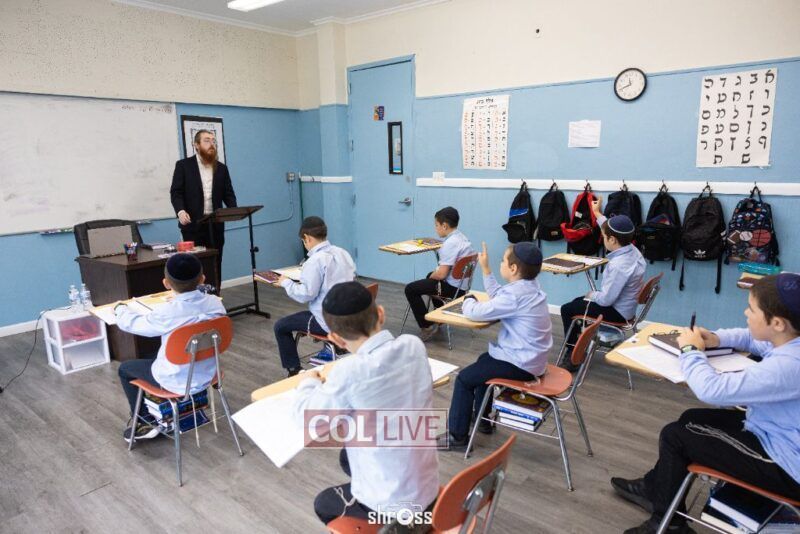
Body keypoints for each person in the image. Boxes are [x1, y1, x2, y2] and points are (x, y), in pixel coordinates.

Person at [611, 274, 800, 534]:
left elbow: (711, 390)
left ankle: (668, 526)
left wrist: (691, 351)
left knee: (675, 436)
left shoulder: (789, 364)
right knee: (692, 418)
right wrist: (715, 338)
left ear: (777, 323)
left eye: (751, 309)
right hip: (773, 430)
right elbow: (751, 338)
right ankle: (656, 488)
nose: (745, 313)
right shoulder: (789, 340)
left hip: (785, 463)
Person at [292, 281, 439, 527]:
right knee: (347, 457)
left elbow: (306, 419)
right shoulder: (413, 345)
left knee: (324, 503)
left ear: (336, 339)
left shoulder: (350, 371)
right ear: (381, 314)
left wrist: (307, 382)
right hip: (428, 489)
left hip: (393, 510)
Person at [439, 241, 553, 451]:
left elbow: (475, 313)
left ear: (513, 268)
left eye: (502, 260)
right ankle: (482, 419)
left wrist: (468, 299)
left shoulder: (514, 296)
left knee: (464, 379)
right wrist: (486, 269)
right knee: (484, 360)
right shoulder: (529, 287)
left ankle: (457, 437)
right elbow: (500, 296)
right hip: (533, 359)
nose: (500, 263)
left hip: (521, 364)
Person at [115, 253, 226, 442]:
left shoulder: (167, 313)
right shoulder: (216, 303)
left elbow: (132, 324)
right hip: (208, 373)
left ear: (166, 284)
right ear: (202, 279)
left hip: (176, 380)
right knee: (155, 354)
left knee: (125, 369)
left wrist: (120, 309)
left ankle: (144, 422)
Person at [559, 196, 645, 371]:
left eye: (604, 237)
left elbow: (606, 300)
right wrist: (597, 213)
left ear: (612, 240)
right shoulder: (632, 250)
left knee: (567, 309)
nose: (603, 238)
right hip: (626, 308)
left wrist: (592, 294)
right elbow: (608, 228)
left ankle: (573, 356)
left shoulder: (619, 266)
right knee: (577, 302)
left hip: (617, 313)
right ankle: (581, 340)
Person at [273, 216, 356, 376]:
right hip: (350, 317)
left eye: (303, 241)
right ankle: (337, 347)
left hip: (328, 322)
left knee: (280, 326)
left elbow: (305, 295)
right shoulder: (343, 253)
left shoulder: (314, 261)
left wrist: (286, 283)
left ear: (307, 238)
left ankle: (294, 370)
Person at [169, 129, 237, 287]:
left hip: (215, 225)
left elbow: (228, 193)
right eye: (207, 140)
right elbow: (176, 192)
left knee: (215, 263)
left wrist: (233, 210)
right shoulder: (183, 166)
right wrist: (180, 211)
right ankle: (195, 295)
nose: (211, 144)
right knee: (194, 264)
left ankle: (215, 294)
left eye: (213, 141)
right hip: (192, 225)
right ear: (196, 145)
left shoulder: (221, 168)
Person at [404, 206, 474, 340]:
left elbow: (441, 274)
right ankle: (439, 317)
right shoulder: (462, 238)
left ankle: (426, 326)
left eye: (436, 225)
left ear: (445, 226)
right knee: (429, 277)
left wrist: (432, 276)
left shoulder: (450, 244)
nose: (435, 228)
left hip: (452, 289)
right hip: (462, 287)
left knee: (410, 289)